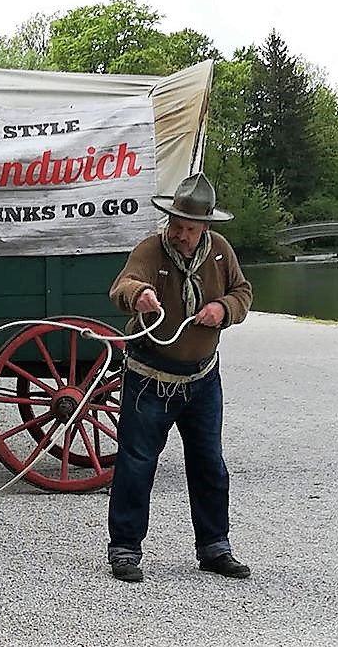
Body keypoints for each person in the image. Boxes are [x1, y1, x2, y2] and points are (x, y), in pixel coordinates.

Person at [107, 172, 252, 582]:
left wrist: (224, 309)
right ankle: (124, 550)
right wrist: (139, 295)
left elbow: (242, 292)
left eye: (189, 228)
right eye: (176, 225)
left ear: (205, 226)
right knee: (136, 464)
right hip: (149, 378)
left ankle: (215, 548)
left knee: (209, 464)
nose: (181, 234)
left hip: (203, 379)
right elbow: (122, 286)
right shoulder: (151, 249)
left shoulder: (220, 252)